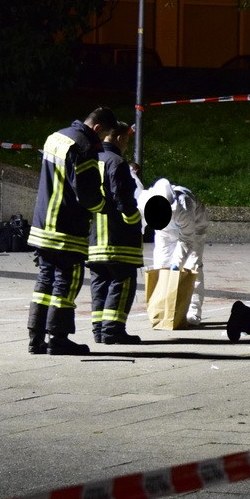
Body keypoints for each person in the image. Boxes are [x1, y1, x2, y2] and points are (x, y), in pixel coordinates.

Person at [27, 106, 121, 356]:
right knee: (67, 282)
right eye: (103, 136)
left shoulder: (57, 136)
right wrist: (107, 206)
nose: (102, 141)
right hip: (66, 226)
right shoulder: (84, 145)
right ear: (97, 128)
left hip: (43, 222)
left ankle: (36, 338)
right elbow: (88, 195)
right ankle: (58, 339)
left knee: (45, 281)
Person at [87, 122, 144, 345]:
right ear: (119, 138)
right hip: (118, 237)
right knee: (123, 282)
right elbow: (124, 199)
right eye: (126, 140)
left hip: (95, 238)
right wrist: (134, 221)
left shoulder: (92, 160)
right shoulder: (117, 162)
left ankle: (99, 330)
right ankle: (113, 331)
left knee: (99, 283)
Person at [138, 177, 210, 326]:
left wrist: (177, 264)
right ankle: (163, 308)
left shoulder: (184, 205)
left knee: (192, 266)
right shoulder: (144, 201)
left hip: (194, 229)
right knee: (161, 265)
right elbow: (140, 225)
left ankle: (193, 311)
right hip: (164, 231)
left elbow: (187, 240)